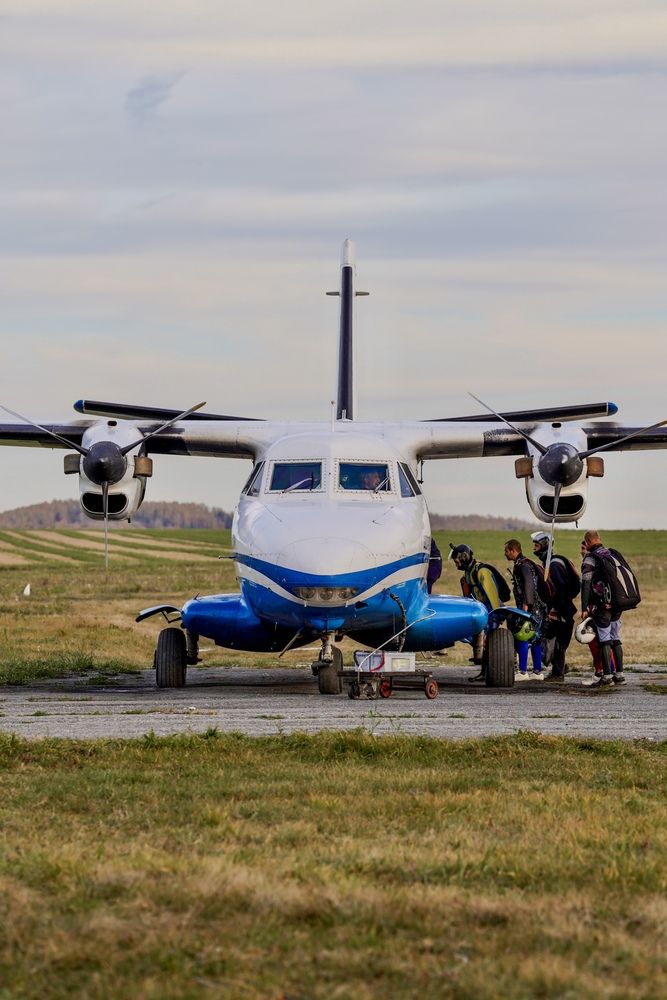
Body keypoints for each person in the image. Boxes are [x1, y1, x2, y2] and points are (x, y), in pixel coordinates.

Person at [449, 543, 509, 682]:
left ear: (464, 558)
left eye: (457, 561)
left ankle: (493, 668)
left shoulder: (482, 571)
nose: (456, 565)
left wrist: (495, 615)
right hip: (482, 610)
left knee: (487, 641)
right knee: (472, 637)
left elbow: (492, 596)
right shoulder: (468, 572)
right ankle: (485, 670)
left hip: (492, 610)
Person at [531, 530, 578, 682]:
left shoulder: (554, 565)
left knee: (557, 642)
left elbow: (559, 589)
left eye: (536, 545)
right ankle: (560, 668)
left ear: (545, 545)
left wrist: (555, 609)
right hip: (561, 609)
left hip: (561, 610)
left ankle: (558, 674)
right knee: (554, 641)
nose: (534, 549)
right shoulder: (551, 562)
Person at [580, 530, 626, 687]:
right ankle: (620, 675)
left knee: (604, 639)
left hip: (602, 605)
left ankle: (606, 677)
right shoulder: (611, 554)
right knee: (615, 637)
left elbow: (586, 583)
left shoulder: (590, 558)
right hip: (617, 604)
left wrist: (584, 606)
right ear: (599, 539)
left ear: (587, 542)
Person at [504, 538, 547, 679]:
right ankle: (537, 672)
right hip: (538, 607)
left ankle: (523, 672)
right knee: (535, 638)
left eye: (506, 551)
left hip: (530, 608)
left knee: (523, 635)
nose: (505, 554)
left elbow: (528, 584)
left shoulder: (522, 565)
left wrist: (526, 605)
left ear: (513, 551)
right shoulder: (527, 563)